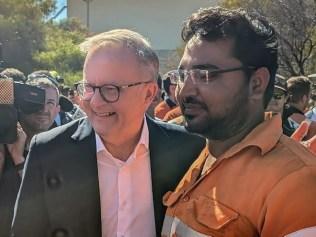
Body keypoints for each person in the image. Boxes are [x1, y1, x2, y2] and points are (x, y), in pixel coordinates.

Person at [11, 29, 205, 237]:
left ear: (148, 93)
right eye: (88, 87)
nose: (94, 101)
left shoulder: (189, 150)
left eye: (110, 89)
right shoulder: (49, 151)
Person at [161, 7, 316, 237]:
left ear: (257, 83)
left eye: (205, 75)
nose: (185, 91)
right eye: (182, 75)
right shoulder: (204, 154)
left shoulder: (295, 182)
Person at [0, 75, 60, 237]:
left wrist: (19, 159)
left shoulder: (63, 149)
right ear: (21, 104)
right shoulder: (3, 145)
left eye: (50, 103)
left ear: (57, 110)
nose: (43, 109)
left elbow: (50, 204)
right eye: (36, 101)